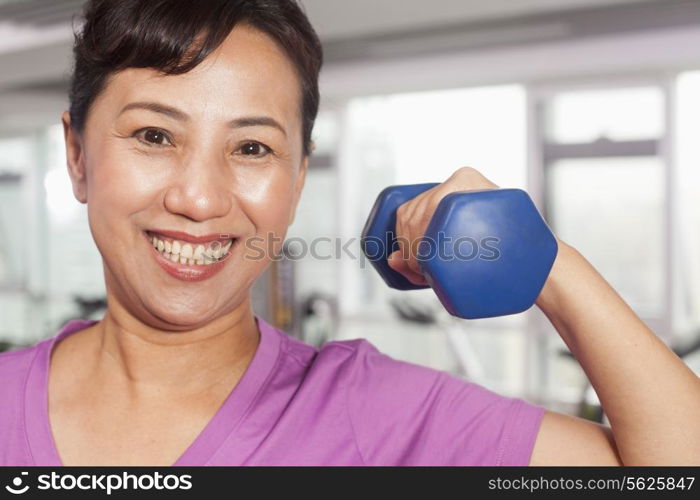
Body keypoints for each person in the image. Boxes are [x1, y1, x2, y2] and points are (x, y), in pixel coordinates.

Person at [0, 0, 698, 466]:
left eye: (251, 149)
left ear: (299, 178)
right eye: (154, 135)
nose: (199, 197)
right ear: (77, 156)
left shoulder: (382, 415)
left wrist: (549, 267)